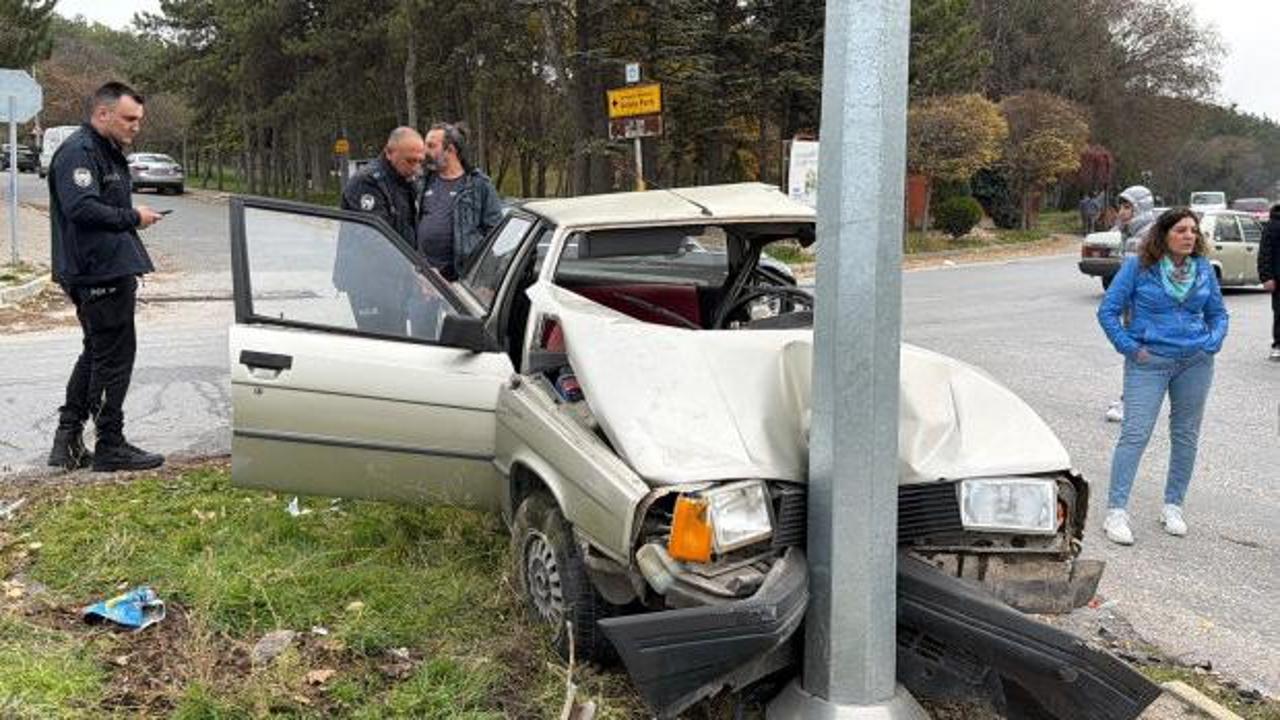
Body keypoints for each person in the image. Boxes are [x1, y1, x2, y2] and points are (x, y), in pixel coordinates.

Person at [47, 81, 166, 472]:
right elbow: (81, 207)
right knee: (113, 358)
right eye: (129, 118)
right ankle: (110, 444)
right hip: (96, 270)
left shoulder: (106, 151)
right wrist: (134, 217)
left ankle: (67, 443)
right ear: (103, 113)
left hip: (106, 268)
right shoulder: (79, 153)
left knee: (97, 353)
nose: (136, 126)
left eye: (139, 120)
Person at [1096, 208, 1228, 545]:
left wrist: (1212, 343)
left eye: (1193, 231)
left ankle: (1173, 506)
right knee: (1135, 434)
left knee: (1185, 436)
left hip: (1195, 362)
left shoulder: (1202, 269)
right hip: (1148, 362)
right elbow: (1108, 311)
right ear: (1164, 234)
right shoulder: (1138, 268)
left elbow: (1218, 314)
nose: (1189, 236)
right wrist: (1130, 348)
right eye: (1181, 230)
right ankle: (1116, 511)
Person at [334, 127, 425, 333]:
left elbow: (411, 229)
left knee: (400, 341)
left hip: (396, 279)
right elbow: (375, 238)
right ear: (389, 152)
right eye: (410, 160)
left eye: (420, 160)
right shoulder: (367, 182)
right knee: (385, 345)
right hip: (369, 282)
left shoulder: (406, 181)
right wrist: (414, 272)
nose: (416, 167)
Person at [416, 121, 504, 281]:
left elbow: (495, 235)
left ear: (450, 149)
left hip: (461, 281)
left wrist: (485, 281)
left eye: (431, 146)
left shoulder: (478, 185)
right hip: (423, 280)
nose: (424, 152)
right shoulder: (422, 182)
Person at [1104, 185, 1158, 423]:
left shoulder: (1147, 237)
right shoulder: (1132, 234)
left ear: (1140, 209)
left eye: (1128, 207)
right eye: (1122, 206)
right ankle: (1130, 399)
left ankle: (1132, 404)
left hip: (1142, 309)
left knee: (1137, 356)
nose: (1122, 212)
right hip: (1132, 307)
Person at [1258, 204, 1280, 360]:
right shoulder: (1272, 225)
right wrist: (1266, 277)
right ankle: (1278, 345)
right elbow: (1265, 253)